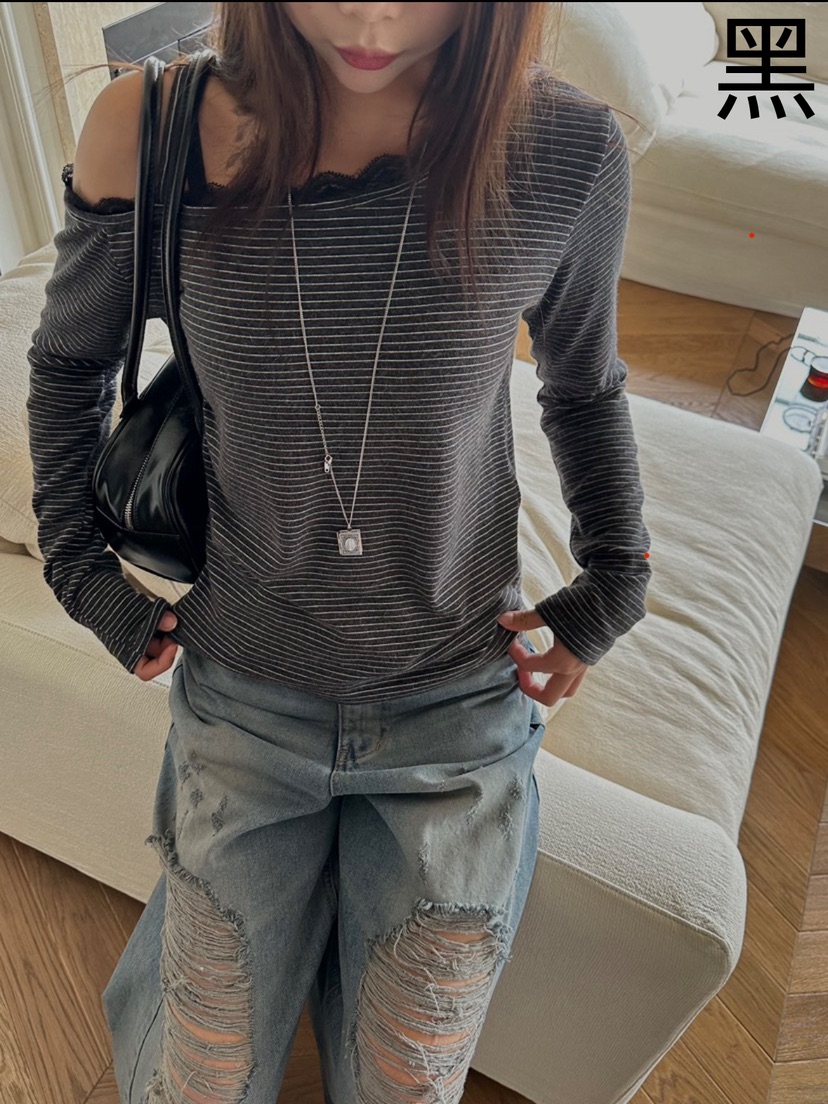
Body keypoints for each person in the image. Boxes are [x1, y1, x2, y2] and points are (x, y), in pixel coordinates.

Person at [26, 3, 652, 1101]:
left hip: (458, 699)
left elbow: (584, 385)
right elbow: (68, 364)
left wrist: (616, 576)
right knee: (203, 1077)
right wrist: (78, 571)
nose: (371, 16)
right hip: (244, 696)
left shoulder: (567, 150)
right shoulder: (151, 129)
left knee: (409, 1076)